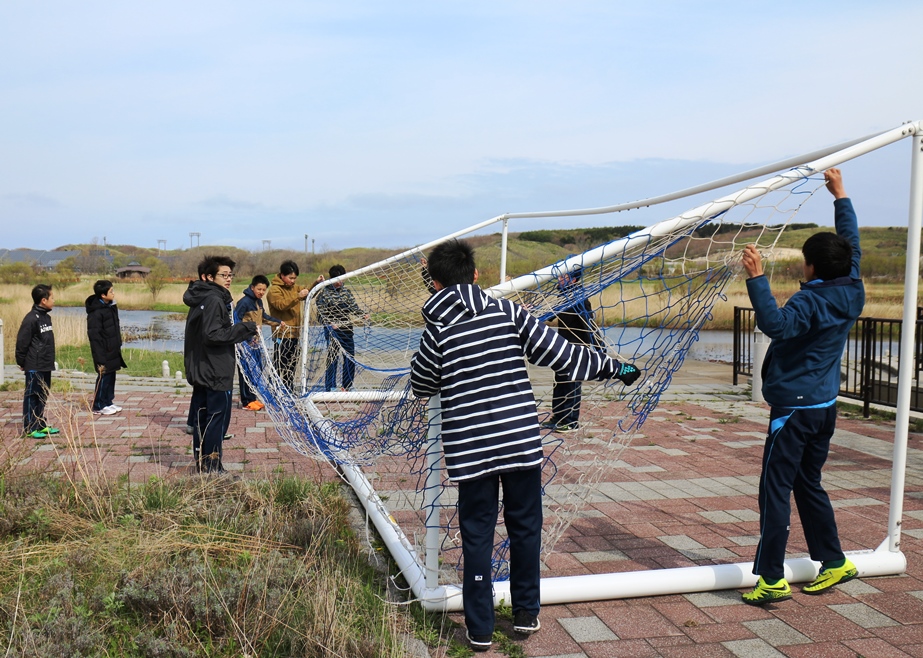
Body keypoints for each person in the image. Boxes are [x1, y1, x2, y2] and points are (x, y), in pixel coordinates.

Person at [409, 239, 641, 652]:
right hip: (519, 441)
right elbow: (563, 355)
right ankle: (526, 612)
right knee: (525, 527)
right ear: (476, 275)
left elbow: (421, 383)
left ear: (435, 282)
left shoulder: (437, 331)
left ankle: (480, 629)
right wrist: (615, 366)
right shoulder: (510, 312)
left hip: (472, 450)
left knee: (477, 534)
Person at [740, 168, 863, 605]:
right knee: (807, 482)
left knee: (775, 488)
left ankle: (771, 577)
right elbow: (853, 244)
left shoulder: (810, 300)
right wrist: (840, 196)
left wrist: (756, 277)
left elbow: (774, 324)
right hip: (824, 405)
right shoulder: (853, 286)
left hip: (793, 410)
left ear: (812, 267)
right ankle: (834, 561)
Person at [183, 256, 257, 473]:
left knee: (202, 419)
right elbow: (214, 335)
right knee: (215, 420)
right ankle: (213, 467)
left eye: (230, 275)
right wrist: (246, 328)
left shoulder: (202, 297)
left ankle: (204, 465)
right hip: (214, 370)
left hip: (203, 368)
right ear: (207, 277)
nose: (228, 280)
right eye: (223, 275)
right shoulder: (214, 300)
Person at [541, 266, 599, 432]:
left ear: (573, 279)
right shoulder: (563, 297)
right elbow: (550, 315)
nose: (559, 279)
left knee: (572, 384)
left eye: (563, 276)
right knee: (560, 382)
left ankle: (571, 421)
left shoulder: (580, 297)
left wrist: (596, 347)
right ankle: (558, 416)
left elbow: (589, 324)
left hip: (577, 348)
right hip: (563, 346)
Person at [266, 260, 324, 391]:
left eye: (295, 278)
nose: (293, 281)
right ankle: (273, 387)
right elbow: (280, 305)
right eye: (290, 278)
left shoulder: (295, 287)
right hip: (282, 334)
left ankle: (288, 388)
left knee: (292, 364)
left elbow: (308, 292)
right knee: (279, 363)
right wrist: (297, 297)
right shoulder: (274, 290)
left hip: (295, 333)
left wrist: (317, 283)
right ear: (282, 275)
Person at [15, 284, 60, 439]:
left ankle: (40, 424)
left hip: (46, 363)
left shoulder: (46, 317)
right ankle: (29, 427)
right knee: (32, 395)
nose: (54, 300)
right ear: (43, 300)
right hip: (34, 364)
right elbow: (22, 342)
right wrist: (22, 362)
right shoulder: (30, 319)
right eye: (52, 297)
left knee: (42, 394)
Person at [234, 274, 284, 410]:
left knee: (257, 371)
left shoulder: (259, 302)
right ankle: (246, 401)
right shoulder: (244, 302)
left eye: (263, 290)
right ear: (252, 287)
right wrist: (243, 337)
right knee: (246, 371)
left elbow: (264, 317)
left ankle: (253, 398)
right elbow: (235, 320)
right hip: (244, 344)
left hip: (256, 343)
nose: (261, 292)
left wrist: (279, 322)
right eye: (259, 289)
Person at [316, 264, 367, 391]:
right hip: (333, 330)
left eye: (342, 279)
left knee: (350, 357)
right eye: (337, 279)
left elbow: (353, 308)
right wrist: (330, 323)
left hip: (347, 329)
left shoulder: (346, 292)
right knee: (333, 358)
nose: (340, 282)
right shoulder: (324, 293)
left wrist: (362, 315)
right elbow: (320, 315)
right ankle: (331, 387)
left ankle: (347, 386)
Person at [85, 279, 126, 416]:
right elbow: (94, 336)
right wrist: (99, 356)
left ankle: (108, 401)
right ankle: (98, 405)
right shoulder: (96, 312)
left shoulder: (111, 307)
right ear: (103, 295)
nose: (113, 293)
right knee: (103, 376)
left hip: (112, 347)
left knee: (111, 375)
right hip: (103, 350)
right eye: (111, 291)